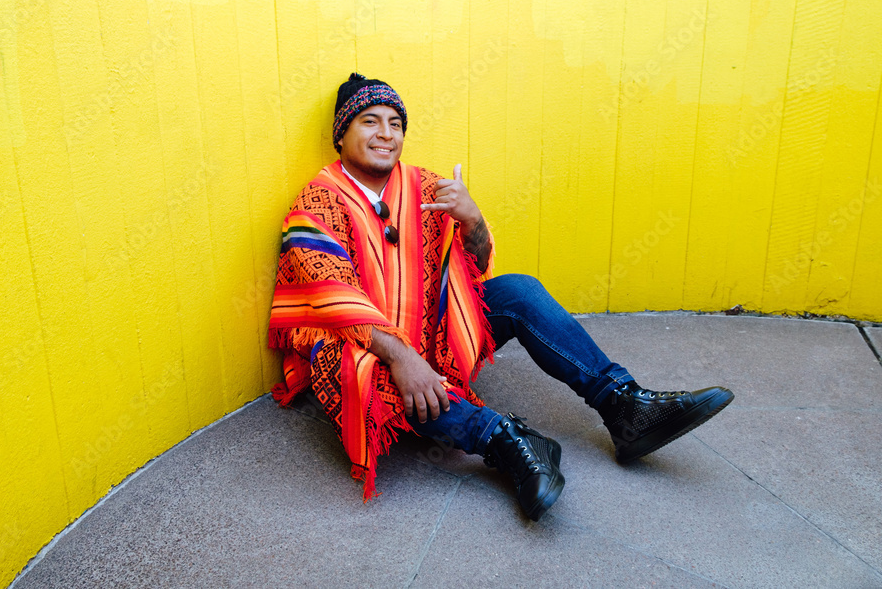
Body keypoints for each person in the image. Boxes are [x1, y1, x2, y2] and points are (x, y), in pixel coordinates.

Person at [269, 73, 733, 521]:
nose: (385, 134)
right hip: (366, 346)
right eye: (369, 121)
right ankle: (508, 441)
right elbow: (333, 296)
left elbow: (477, 266)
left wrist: (471, 221)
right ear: (342, 132)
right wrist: (403, 356)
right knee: (358, 364)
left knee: (517, 291)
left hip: (433, 331)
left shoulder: (426, 188)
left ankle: (625, 406)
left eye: (395, 123)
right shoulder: (315, 204)